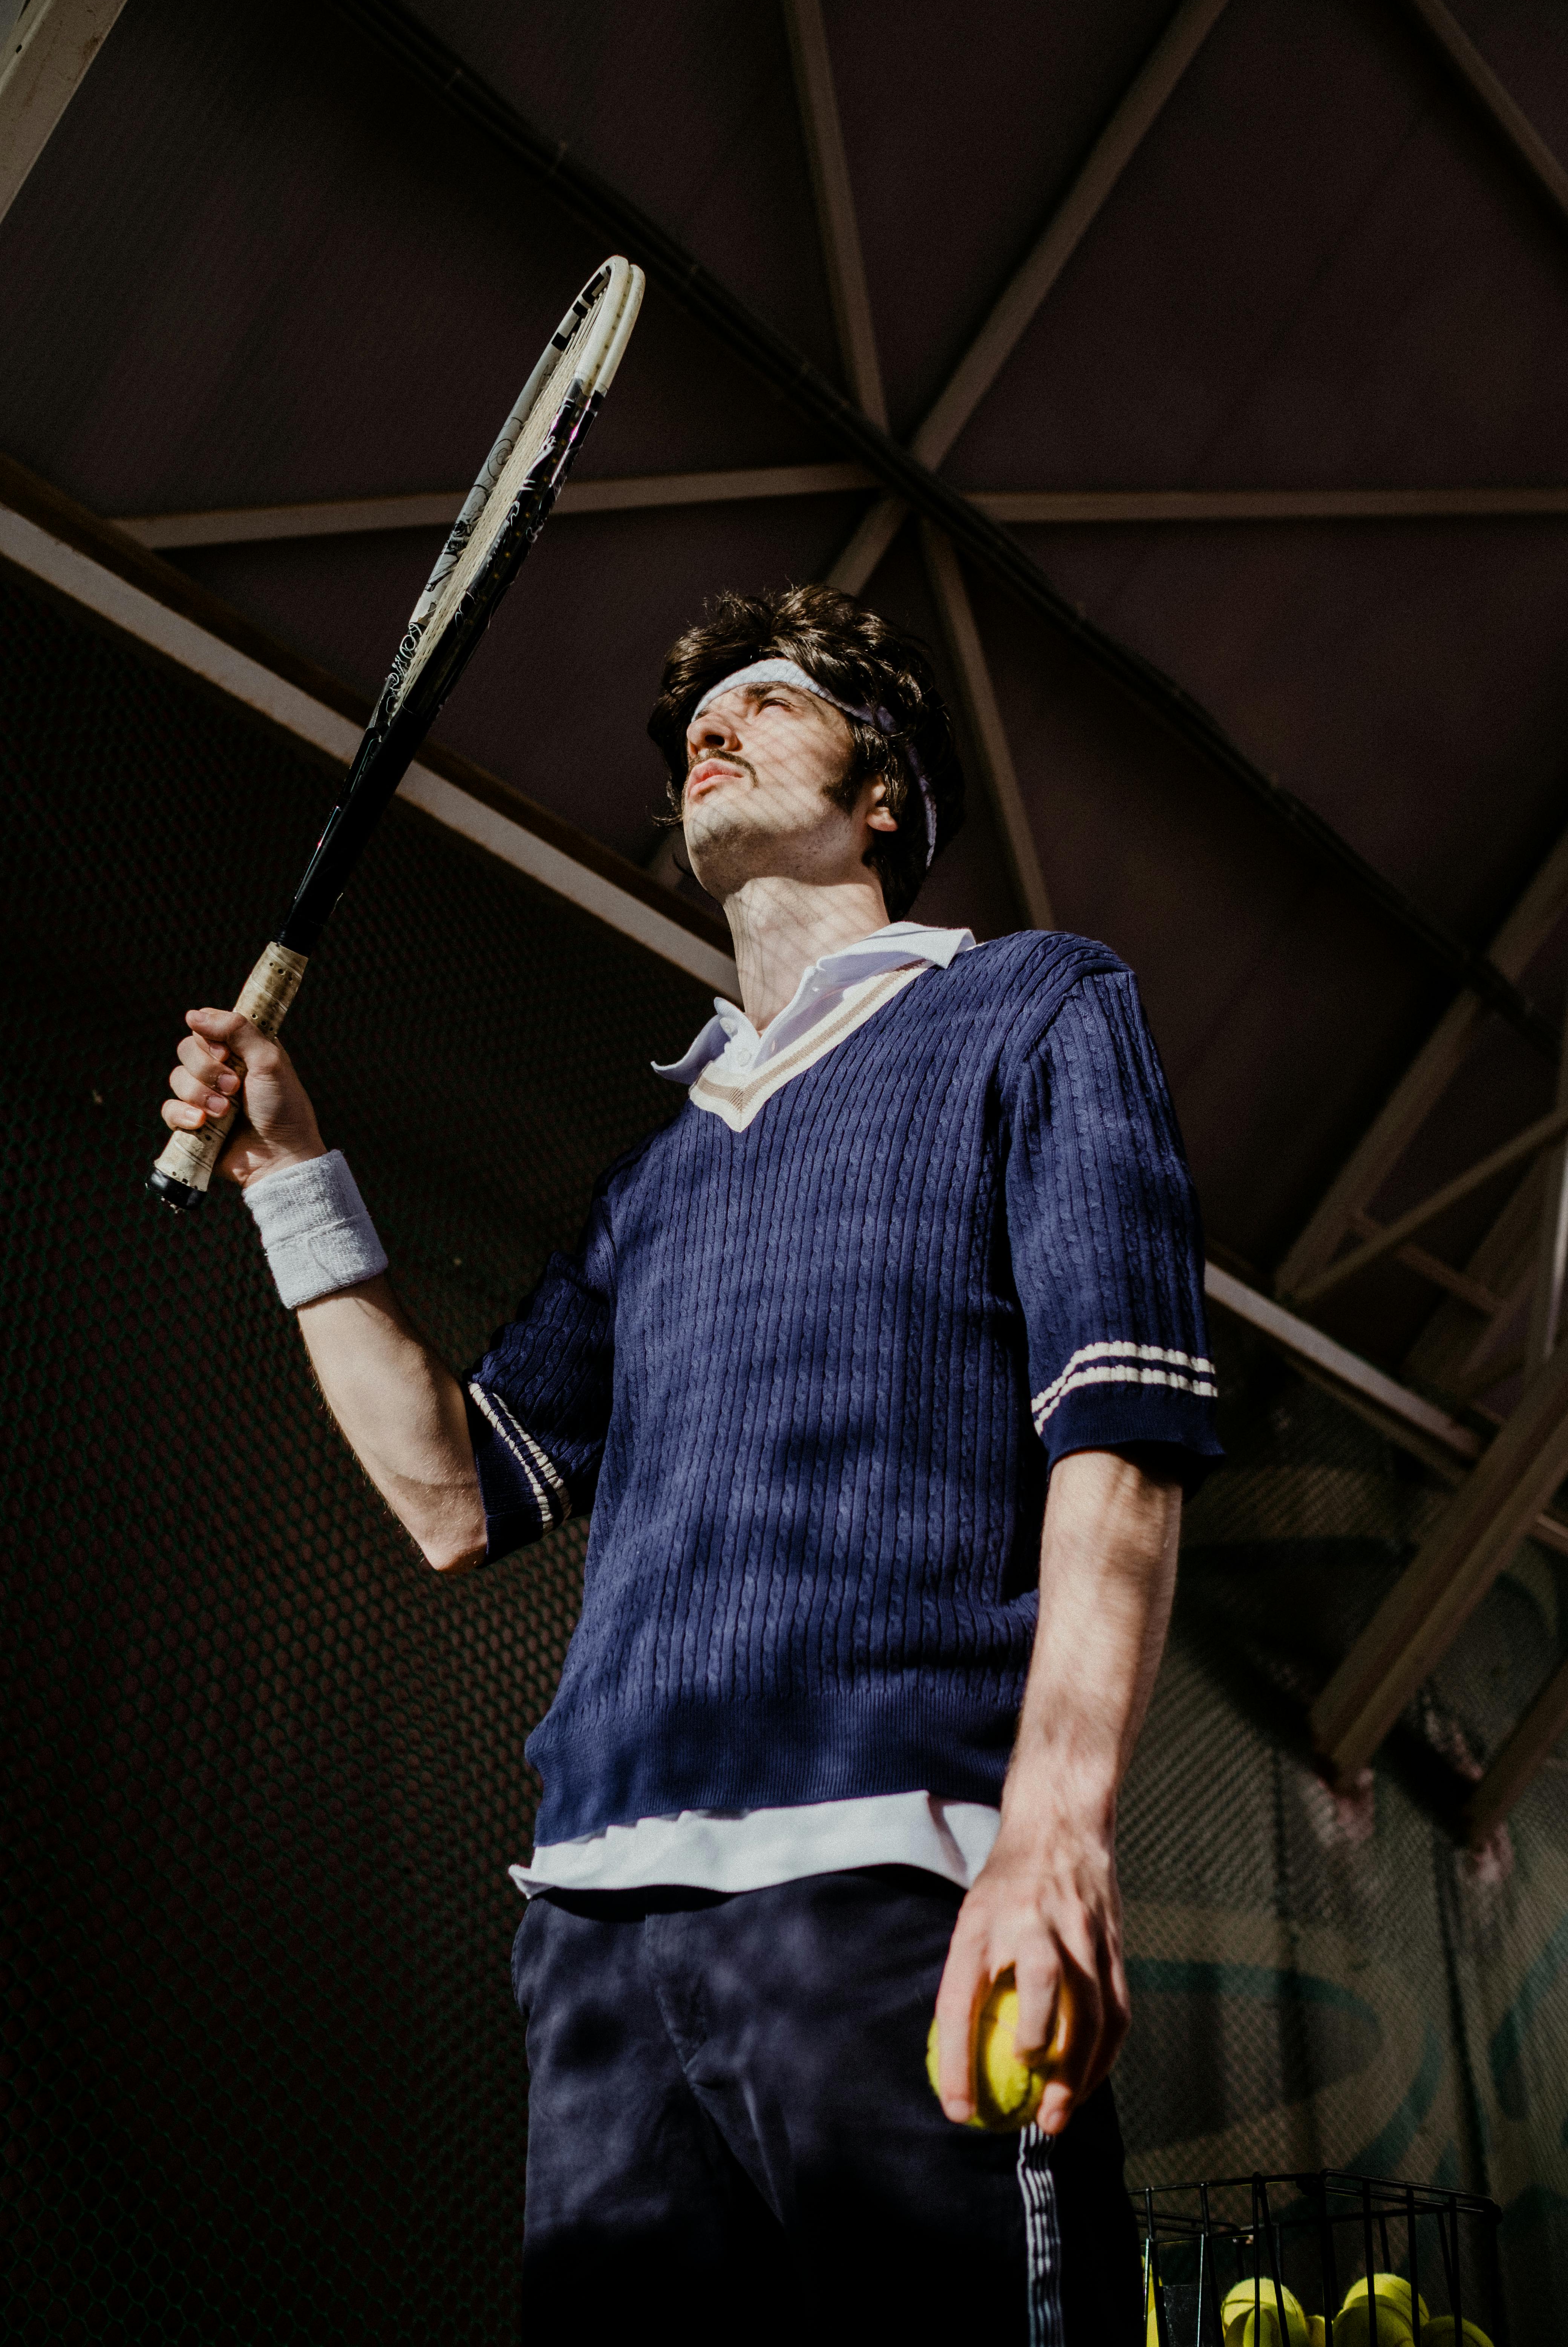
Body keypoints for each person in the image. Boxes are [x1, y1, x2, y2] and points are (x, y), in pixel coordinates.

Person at [161, 582, 1219, 2342]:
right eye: (692, 723)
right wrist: (291, 1177)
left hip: (889, 1890)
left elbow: (1119, 1429)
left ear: (883, 793)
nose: (709, 731)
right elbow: (452, 1493)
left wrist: (1053, 1835)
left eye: (767, 700)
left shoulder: (1034, 1007)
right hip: (596, 1940)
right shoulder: (657, 1183)